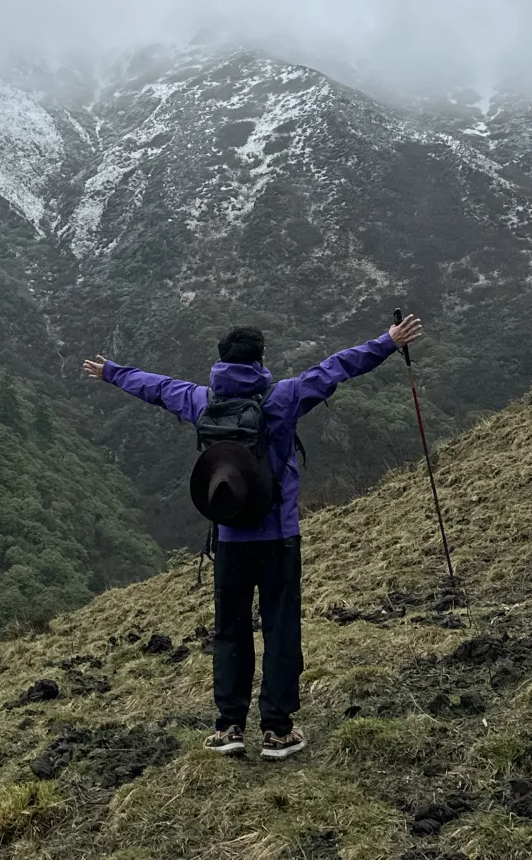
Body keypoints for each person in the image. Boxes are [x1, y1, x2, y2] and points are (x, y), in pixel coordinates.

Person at [82, 312, 424, 761]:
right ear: (262, 360)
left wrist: (111, 373)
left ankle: (228, 727)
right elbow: (336, 367)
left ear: (220, 363)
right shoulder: (282, 397)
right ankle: (278, 732)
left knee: (230, 630)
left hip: (229, 539)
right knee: (281, 629)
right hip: (278, 537)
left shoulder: (201, 401)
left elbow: (158, 387)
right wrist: (388, 341)